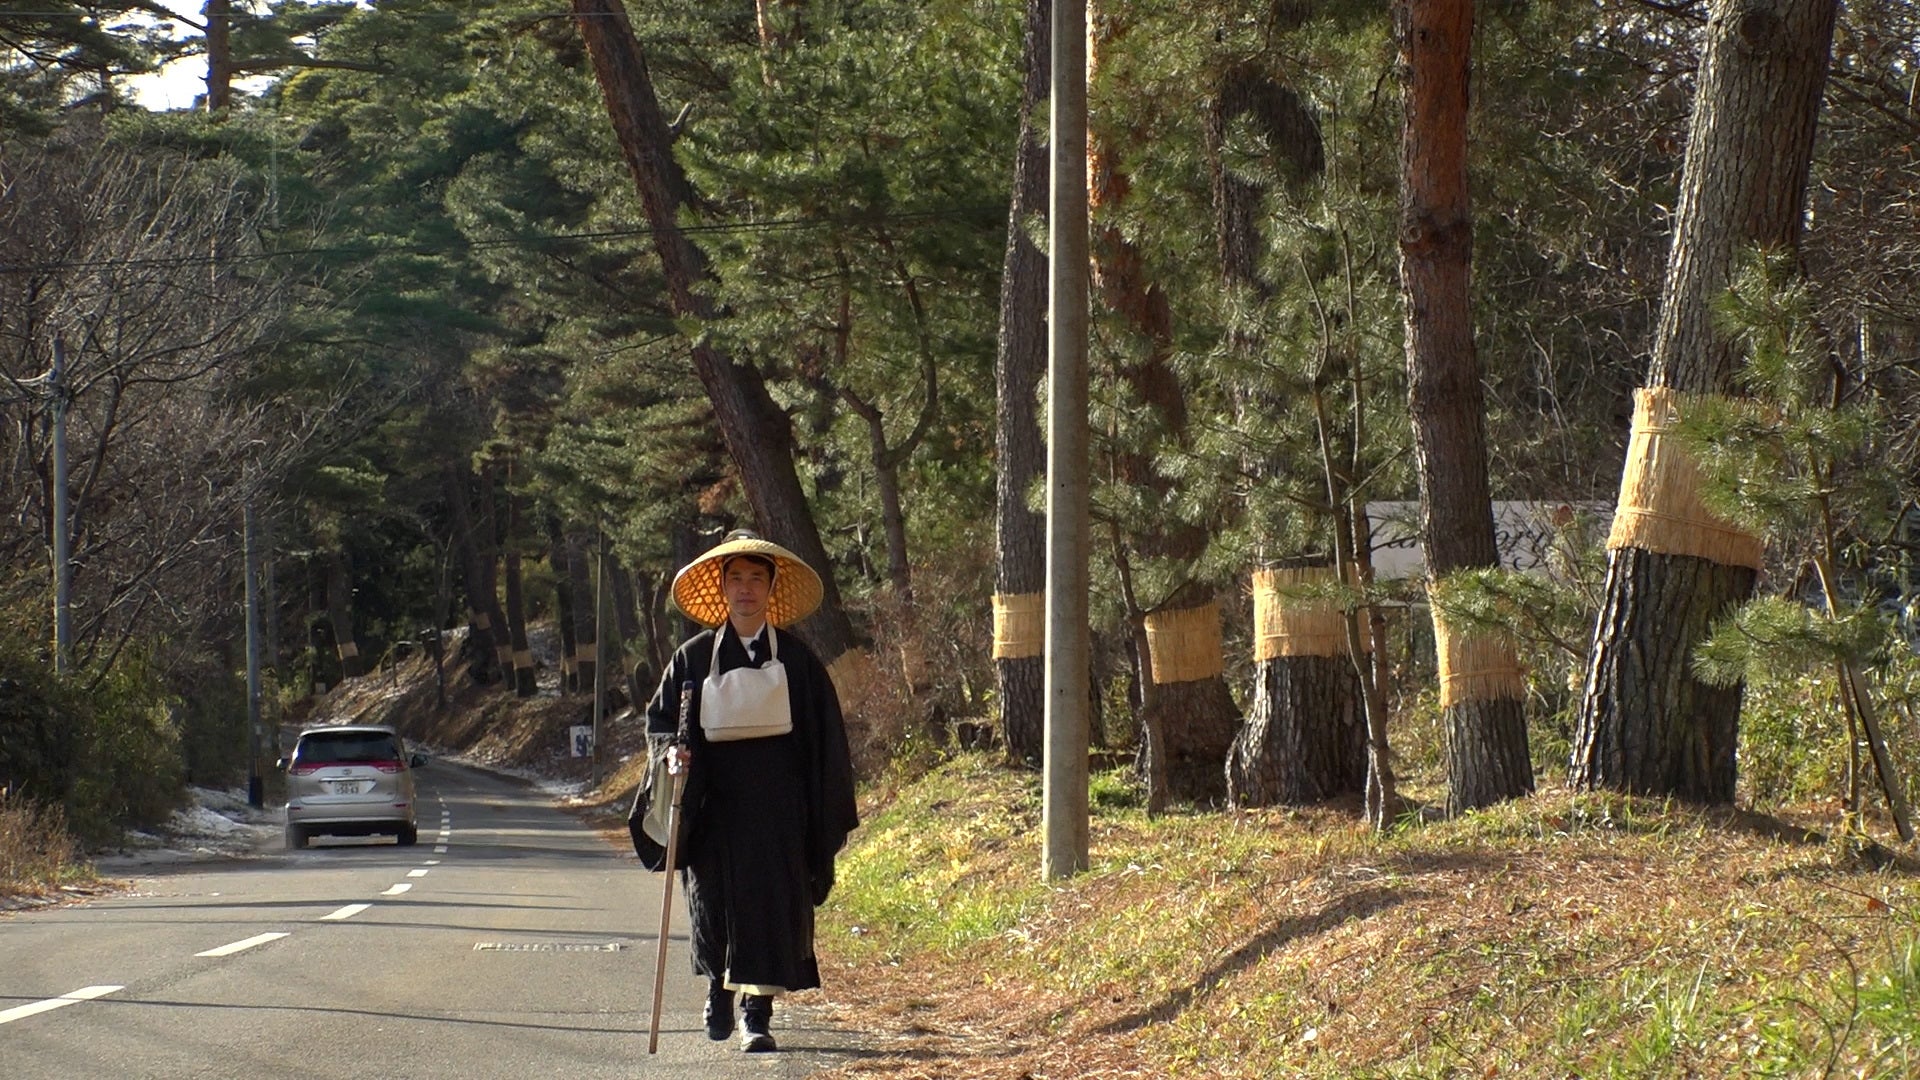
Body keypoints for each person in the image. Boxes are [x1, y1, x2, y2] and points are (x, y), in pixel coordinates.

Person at [640, 529, 859, 1053]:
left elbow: (823, 738)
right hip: (714, 809)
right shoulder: (692, 659)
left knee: (771, 910)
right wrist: (671, 753)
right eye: (735, 579)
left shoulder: (799, 662)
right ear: (722, 588)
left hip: (779, 813)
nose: (745, 589)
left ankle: (757, 1014)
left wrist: (816, 812)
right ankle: (718, 990)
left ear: (769, 588)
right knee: (713, 904)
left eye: (755, 579)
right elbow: (661, 722)